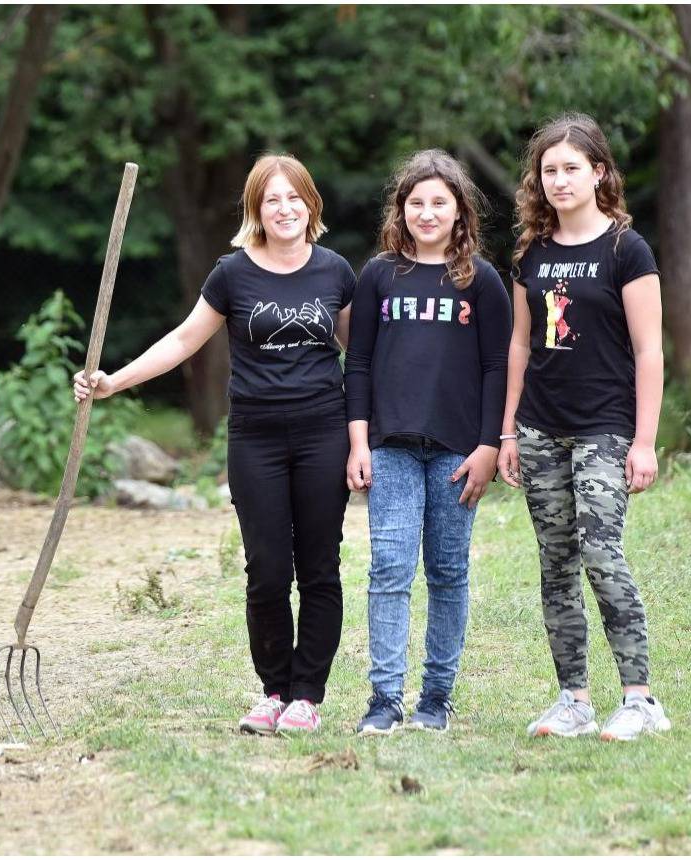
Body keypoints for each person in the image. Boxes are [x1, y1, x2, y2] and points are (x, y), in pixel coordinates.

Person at [74, 154, 356, 734]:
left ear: (311, 205)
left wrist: (366, 435)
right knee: (268, 570)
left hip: (323, 431)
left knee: (320, 568)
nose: (285, 209)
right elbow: (182, 341)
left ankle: (308, 696)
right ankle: (274, 690)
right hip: (255, 436)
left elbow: (365, 356)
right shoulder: (232, 274)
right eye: (272, 199)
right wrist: (113, 381)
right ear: (256, 209)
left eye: (294, 197)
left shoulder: (336, 273)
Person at [497, 113, 668, 741]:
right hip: (541, 427)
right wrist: (510, 429)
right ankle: (573, 699)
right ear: (538, 183)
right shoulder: (532, 254)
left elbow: (650, 350)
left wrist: (644, 441)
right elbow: (520, 344)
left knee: (601, 552)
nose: (560, 180)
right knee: (556, 562)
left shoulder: (627, 249)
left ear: (599, 173)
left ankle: (640, 700)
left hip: (606, 427)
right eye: (550, 171)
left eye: (573, 168)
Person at [343, 150, 510, 735]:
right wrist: (357, 442)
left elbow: (498, 367)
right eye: (416, 202)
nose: (427, 211)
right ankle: (384, 698)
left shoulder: (481, 281)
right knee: (389, 567)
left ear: (460, 209)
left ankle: (436, 697)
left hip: (457, 452)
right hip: (389, 445)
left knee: (446, 570)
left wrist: (490, 445)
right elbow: (358, 362)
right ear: (401, 209)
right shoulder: (379, 276)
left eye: (440, 201)